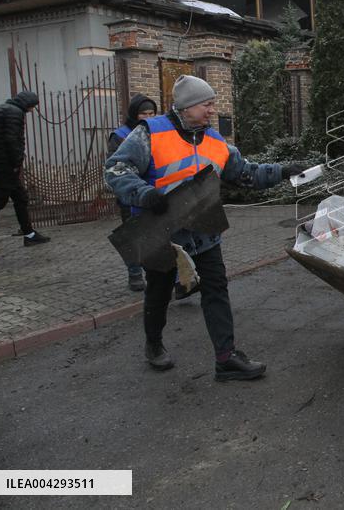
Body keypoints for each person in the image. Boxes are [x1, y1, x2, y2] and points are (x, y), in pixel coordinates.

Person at [104, 75, 302, 381]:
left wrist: (284, 171)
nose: (212, 110)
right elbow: (116, 169)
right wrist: (144, 193)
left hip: (204, 230)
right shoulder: (150, 133)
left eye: (212, 104)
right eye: (206, 104)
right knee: (159, 292)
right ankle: (153, 344)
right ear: (186, 106)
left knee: (216, 289)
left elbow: (245, 173)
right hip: (160, 232)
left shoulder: (215, 141)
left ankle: (226, 358)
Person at [0, 91, 50, 246]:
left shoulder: (0, 110)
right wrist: (16, 162)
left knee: (21, 198)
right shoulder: (15, 113)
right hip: (7, 166)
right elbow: (13, 140)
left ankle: (29, 233)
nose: (32, 110)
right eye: (32, 106)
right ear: (27, 103)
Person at [108, 94, 158, 292]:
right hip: (131, 197)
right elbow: (117, 169)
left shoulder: (156, 132)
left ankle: (163, 274)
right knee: (133, 235)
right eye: (144, 114)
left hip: (154, 193)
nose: (148, 117)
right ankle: (135, 273)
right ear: (134, 114)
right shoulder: (120, 135)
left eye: (152, 113)